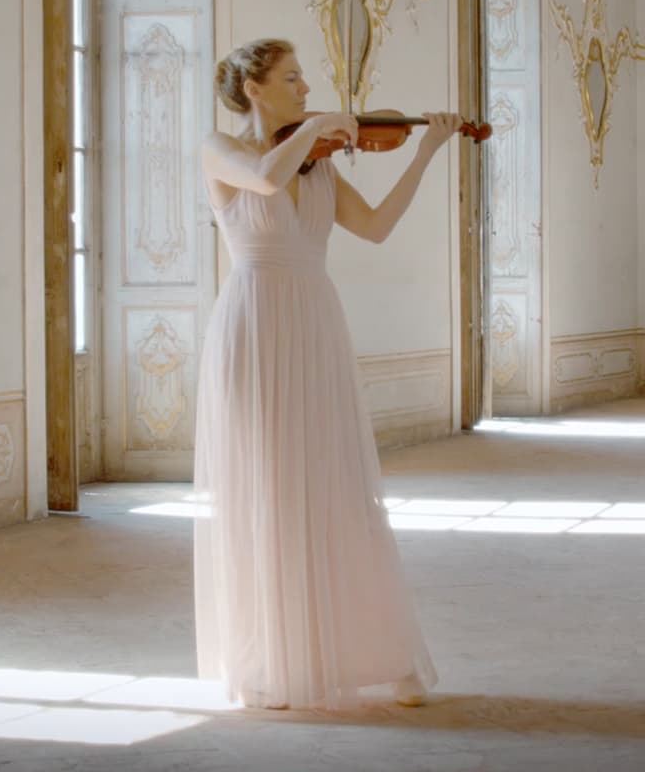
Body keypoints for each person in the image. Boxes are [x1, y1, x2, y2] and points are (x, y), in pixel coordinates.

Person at [192, 37, 463, 710]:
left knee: (336, 485)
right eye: (292, 78)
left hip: (314, 321)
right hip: (253, 323)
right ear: (254, 88)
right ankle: (267, 663)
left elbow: (375, 227)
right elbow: (264, 179)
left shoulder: (316, 167)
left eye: (304, 79)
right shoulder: (221, 150)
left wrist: (426, 152)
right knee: (264, 490)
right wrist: (316, 132)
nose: (307, 89)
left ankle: (383, 655)